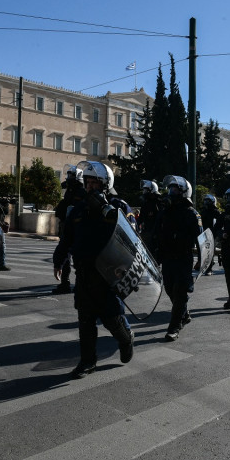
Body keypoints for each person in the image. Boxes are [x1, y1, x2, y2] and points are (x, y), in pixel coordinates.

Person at [53, 161, 136, 379]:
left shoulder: (118, 206)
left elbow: (131, 238)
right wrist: (58, 260)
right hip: (84, 271)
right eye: (87, 182)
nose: (90, 187)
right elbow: (67, 237)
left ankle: (126, 338)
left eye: (95, 183)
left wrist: (108, 212)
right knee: (85, 319)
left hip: (107, 274)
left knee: (112, 318)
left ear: (105, 184)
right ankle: (87, 362)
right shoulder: (79, 208)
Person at [153, 176, 202, 341]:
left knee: (180, 292)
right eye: (170, 189)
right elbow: (157, 235)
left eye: (174, 190)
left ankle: (174, 327)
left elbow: (201, 239)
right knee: (169, 289)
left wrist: (202, 260)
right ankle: (184, 312)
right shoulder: (164, 212)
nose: (171, 192)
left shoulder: (191, 214)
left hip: (183, 257)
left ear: (184, 192)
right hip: (167, 257)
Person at [52, 166, 85, 294]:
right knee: (65, 256)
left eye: (72, 175)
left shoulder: (81, 191)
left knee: (78, 258)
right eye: (69, 175)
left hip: (76, 229)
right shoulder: (70, 190)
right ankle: (64, 283)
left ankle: (79, 284)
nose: (69, 177)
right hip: (66, 226)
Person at [137, 179, 162, 256]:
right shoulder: (146, 203)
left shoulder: (159, 202)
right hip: (147, 232)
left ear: (152, 190)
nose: (144, 192)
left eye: (146, 190)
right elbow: (140, 218)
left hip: (157, 234)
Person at [199, 194, 220, 276]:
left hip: (212, 233)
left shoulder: (216, 211)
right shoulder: (203, 211)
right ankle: (205, 266)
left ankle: (209, 269)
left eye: (208, 201)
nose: (206, 202)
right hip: (203, 233)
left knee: (210, 251)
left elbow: (218, 224)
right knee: (204, 251)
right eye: (205, 200)